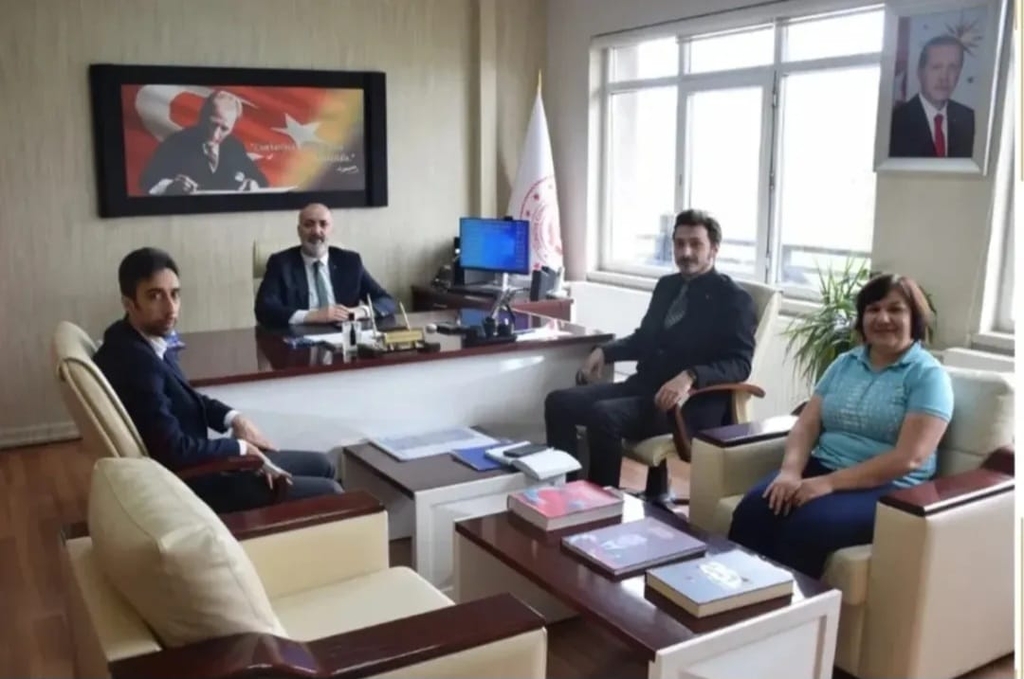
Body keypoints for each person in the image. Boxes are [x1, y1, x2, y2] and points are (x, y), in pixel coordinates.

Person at [728, 274, 953, 579]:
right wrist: (790, 471)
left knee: (808, 527)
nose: (883, 318)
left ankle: (792, 607)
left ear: (914, 318)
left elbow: (909, 457)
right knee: (754, 509)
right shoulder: (845, 363)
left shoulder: (928, 376)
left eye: (895, 309)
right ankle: (736, 596)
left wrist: (829, 484)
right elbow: (806, 425)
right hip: (824, 465)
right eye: (873, 309)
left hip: (888, 487)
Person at [93, 247, 343, 513]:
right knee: (333, 491)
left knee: (323, 464)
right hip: (197, 483)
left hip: (205, 466)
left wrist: (235, 419)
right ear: (129, 303)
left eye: (175, 294)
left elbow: (187, 397)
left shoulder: (137, 338)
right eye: (155, 296)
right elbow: (174, 450)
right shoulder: (137, 362)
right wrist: (241, 449)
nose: (170, 308)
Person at [544, 209, 758, 498]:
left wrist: (691, 376)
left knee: (603, 416)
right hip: (644, 388)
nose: (686, 252)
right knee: (559, 402)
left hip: (686, 404)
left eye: (695, 244)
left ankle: (600, 505)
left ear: (714, 249)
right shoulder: (668, 286)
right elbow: (645, 338)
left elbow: (739, 363)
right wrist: (605, 352)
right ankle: (566, 493)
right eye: (679, 244)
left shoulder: (734, 299)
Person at [254, 203, 397, 327]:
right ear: (299, 231)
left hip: (343, 338)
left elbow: (386, 301)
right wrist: (313, 316)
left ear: (331, 229)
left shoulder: (350, 262)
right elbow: (264, 309)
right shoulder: (281, 263)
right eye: (308, 224)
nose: (316, 231)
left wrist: (357, 312)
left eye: (323, 224)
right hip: (299, 340)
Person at [139, 90, 268, 195]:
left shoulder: (235, 147)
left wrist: (253, 184)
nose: (215, 134)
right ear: (202, 116)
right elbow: (147, 182)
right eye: (213, 124)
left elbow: (261, 181)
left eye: (224, 129)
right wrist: (170, 186)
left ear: (233, 127)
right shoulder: (176, 143)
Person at [889, 35, 975, 158]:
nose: (944, 77)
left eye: (952, 68)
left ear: (959, 72)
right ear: (920, 72)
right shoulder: (895, 123)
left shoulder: (970, 119)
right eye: (936, 67)